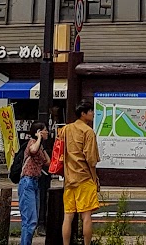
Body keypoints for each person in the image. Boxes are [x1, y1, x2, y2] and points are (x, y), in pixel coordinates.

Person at [61, 102, 101, 245]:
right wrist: (94, 177)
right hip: (84, 178)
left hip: (68, 178)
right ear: (83, 114)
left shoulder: (65, 129)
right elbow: (91, 160)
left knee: (68, 216)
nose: (92, 113)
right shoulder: (88, 131)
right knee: (86, 216)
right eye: (90, 111)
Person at [17, 121, 49, 245]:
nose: (47, 132)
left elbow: (47, 162)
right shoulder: (32, 143)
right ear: (39, 131)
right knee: (29, 221)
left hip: (34, 182)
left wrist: (42, 144)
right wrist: (39, 138)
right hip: (27, 182)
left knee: (32, 220)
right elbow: (33, 150)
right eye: (45, 130)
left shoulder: (39, 146)